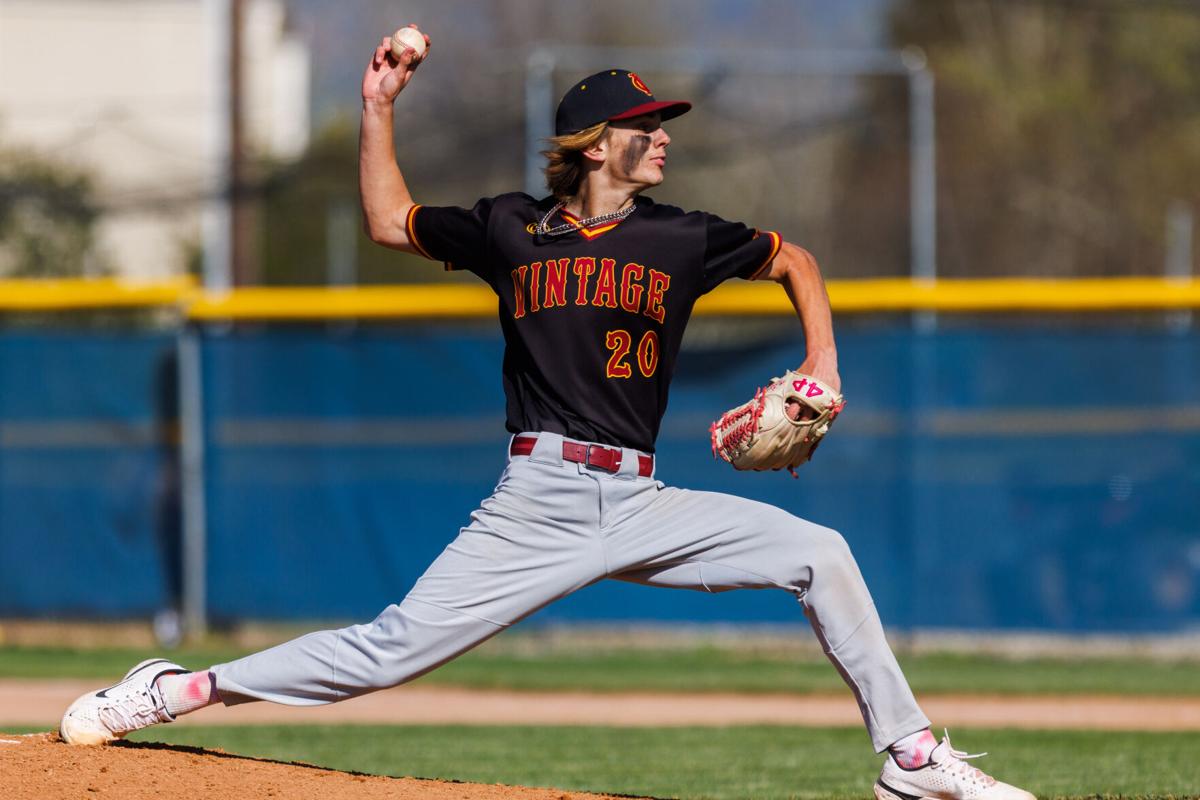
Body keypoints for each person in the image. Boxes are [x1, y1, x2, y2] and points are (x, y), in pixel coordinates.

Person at [61, 28, 1034, 800]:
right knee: (389, 648)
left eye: (662, 123)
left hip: (643, 499)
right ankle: (179, 686)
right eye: (644, 123)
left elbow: (796, 260)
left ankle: (907, 755)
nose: (662, 135)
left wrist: (821, 355)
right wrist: (376, 106)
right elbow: (389, 219)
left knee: (821, 550)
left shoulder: (682, 237)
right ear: (593, 143)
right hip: (539, 498)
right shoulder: (509, 227)